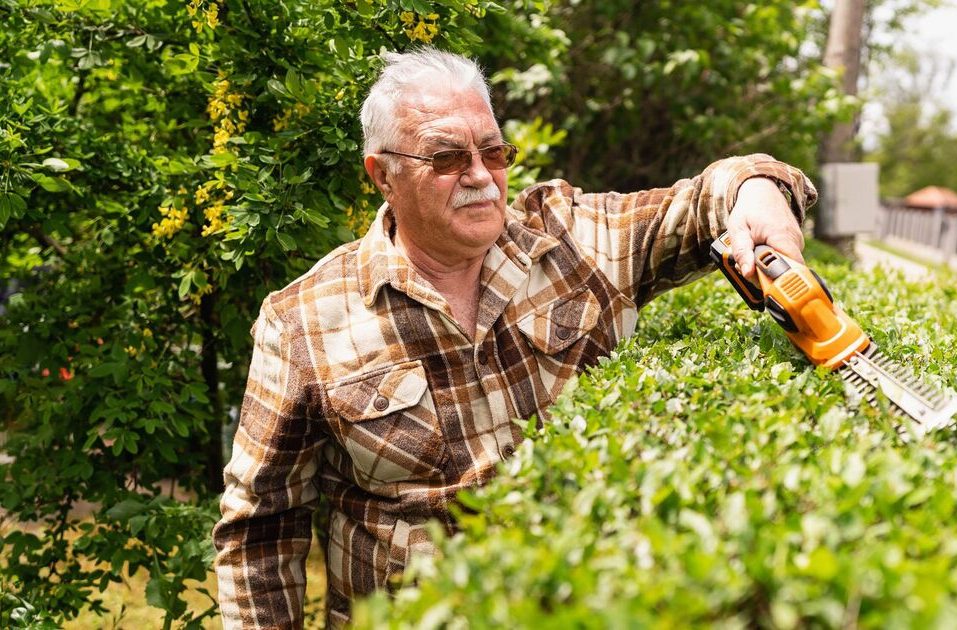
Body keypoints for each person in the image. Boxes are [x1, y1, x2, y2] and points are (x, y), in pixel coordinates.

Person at [213, 47, 816, 628]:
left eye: (494, 152)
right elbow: (259, 530)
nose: (480, 177)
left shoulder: (572, 239)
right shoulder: (302, 321)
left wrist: (759, 193)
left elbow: (707, 196)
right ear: (383, 175)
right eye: (447, 159)